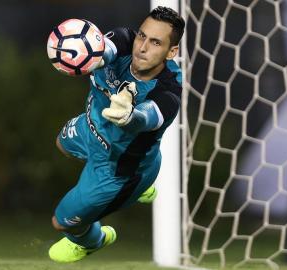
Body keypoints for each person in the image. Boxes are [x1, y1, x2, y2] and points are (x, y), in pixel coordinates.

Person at [48, 6, 185, 263]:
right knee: (61, 144)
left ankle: (93, 240)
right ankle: (140, 183)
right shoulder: (124, 40)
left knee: (62, 222)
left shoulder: (169, 91)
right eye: (142, 36)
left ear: (172, 51)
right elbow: (103, 51)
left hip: (118, 168)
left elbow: (146, 118)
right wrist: (90, 58)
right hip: (90, 128)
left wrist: (129, 116)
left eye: (155, 42)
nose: (142, 47)